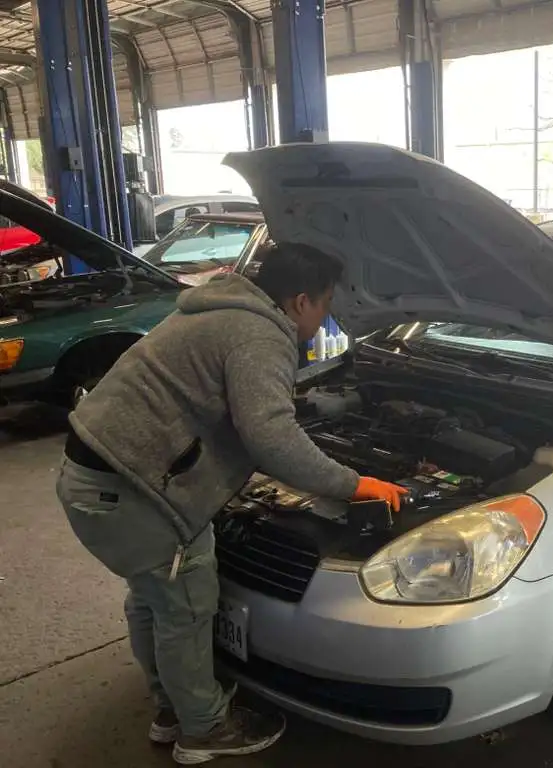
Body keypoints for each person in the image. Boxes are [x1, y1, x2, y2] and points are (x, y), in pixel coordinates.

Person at [55, 242, 407, 764]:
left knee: (154, 598)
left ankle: (172, 709)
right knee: (186, 605)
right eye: (327, 301)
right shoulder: (259, 334)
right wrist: (356, 484)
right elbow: (271, 438)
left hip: (95, 475)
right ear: (301, 300)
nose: (327, 314)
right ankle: (204, 730)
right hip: (133, 488)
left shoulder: (219, 309)